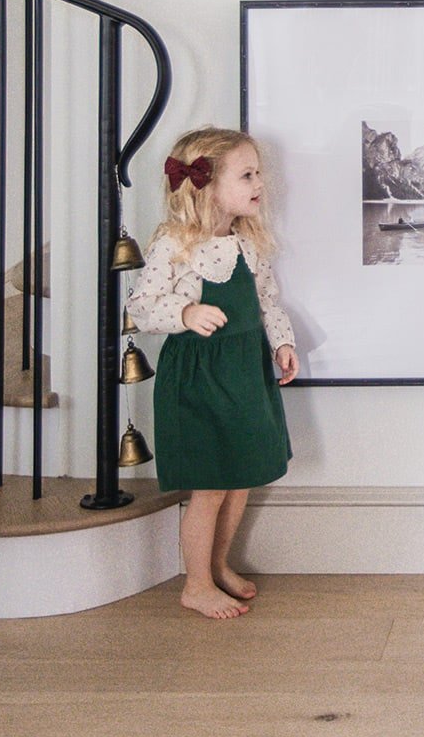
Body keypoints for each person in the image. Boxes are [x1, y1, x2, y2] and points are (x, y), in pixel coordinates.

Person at [126, 127, 298, 619]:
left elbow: (267, 301)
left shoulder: (248, 242)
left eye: (257, 172)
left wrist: (282, 342)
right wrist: (184, 313)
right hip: (199, 381)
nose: (259, 182)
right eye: (247, 174)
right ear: (205, 184)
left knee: (241, 478)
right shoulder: (175, 245)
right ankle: (195, 584)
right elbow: (140, 306)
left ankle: (218, 565)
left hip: (244, 374)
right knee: (211, 487)